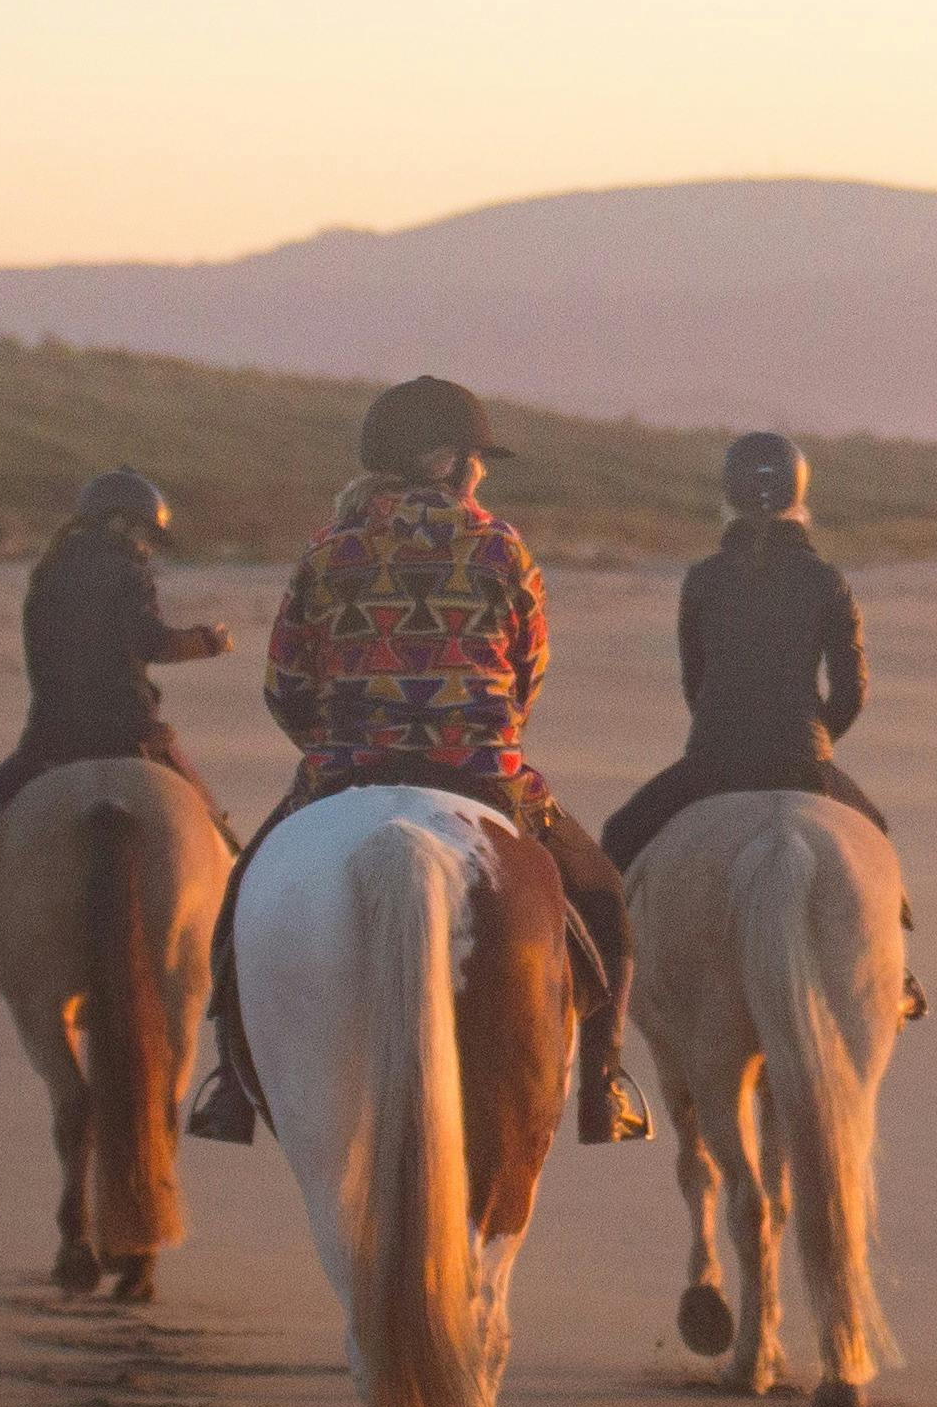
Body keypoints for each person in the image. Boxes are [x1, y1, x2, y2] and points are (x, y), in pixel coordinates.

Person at [191, 374, 652, 1147]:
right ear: (444, 462)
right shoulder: (501, 544)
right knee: (602, 902)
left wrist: (337, 749)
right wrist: (479, 730)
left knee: (239, 908)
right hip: (481, 774)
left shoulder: (328, 549)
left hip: (344, 771)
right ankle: (603, 1084)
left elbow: (285, 686)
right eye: (476, 457)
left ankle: (230, 1088)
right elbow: (528, 670)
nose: (481, 472)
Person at [0, 468, 232, 1002]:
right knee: (218, 832)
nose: (147, 548)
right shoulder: (129, 574)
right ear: (117, 523)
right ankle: (230, 955)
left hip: (53, 740)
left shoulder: (47, 575)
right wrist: (208, 641)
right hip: (132, 735)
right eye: (143, 534)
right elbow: (151, 642)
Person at [597, 433, 892, 870]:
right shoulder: (826, 581)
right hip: (802, 761)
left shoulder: (704, 580)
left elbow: (695, 685)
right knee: (878, 842)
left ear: (730, 496)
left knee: (618, 837)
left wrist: (727, 730)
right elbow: (851, 692)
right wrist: (814, 737)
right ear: (800, 494)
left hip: (716, 757)